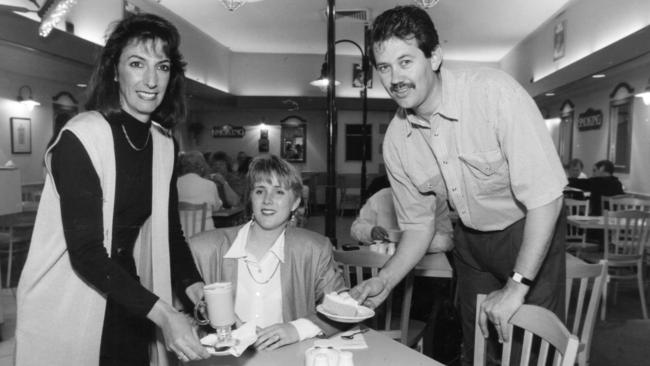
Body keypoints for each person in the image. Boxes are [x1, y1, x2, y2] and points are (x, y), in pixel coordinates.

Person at [349, 6, 567, 365]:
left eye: (405, 62)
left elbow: (547, 199)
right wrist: (384, 281)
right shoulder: (396, 141)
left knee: (532, 350)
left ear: (434, 56)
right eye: (384, 67)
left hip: (528, 229)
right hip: (469, 239)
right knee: (477, 346)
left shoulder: (493, 94)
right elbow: (419, 227)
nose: (394, 78)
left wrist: (515, 287)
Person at [16, 14, 210, 365]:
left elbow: (171, 233)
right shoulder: (80, 137)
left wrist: (195, 288)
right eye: (137, 63)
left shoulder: (164, 144)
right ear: (114, 71)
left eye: (162, 66)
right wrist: (166, 314)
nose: (151, 80)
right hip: (71, 296)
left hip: (128, 294)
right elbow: (87, 253)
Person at [189, 154, 348, 351]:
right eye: (259, 191)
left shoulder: (314, 250)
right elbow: (178, 313)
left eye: (279, 192)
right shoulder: (204, 248)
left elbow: (343, 310)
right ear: (251, 198)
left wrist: (296, 329)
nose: (267, 200)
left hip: (287, 359)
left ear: (295, 203)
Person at [351, 187, 453, 252]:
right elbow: (356, 228)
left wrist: (412, 242)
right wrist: (371, 231)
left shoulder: (437, 200)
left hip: (425, 265)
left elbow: (447, 240)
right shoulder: (381, 197)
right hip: (383, 261)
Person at [177, 150, 223, 232]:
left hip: (180, 236)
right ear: (202, 167)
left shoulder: (174, 184)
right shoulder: (209, 185)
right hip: (204, 235)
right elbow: (216, 208)